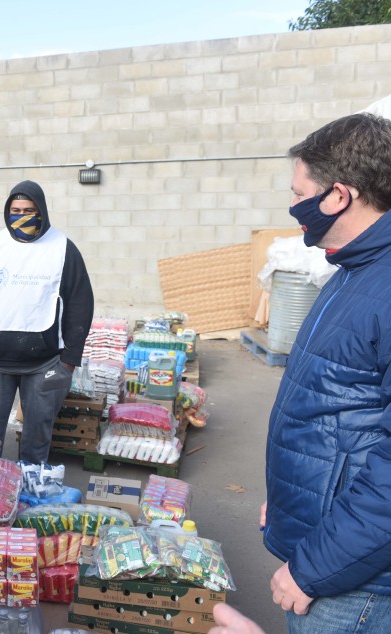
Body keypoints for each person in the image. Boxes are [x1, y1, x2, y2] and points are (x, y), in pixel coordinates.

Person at [262, 113, 391, 632]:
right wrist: (292, 494)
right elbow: (333, 406)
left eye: (300, 193)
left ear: (339, 195)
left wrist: (313, 570)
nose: (293, 206)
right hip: (328, 540)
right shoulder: (355, 267)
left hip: (351, 583)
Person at [0, 180, 94, 463]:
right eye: (15, 209)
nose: (22, 216)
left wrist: (69, 360)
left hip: (45, 363)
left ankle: (29, 497)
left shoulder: (62, 248)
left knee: (36, 440)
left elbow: (80, 303)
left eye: (29, 210)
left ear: (41, 211)